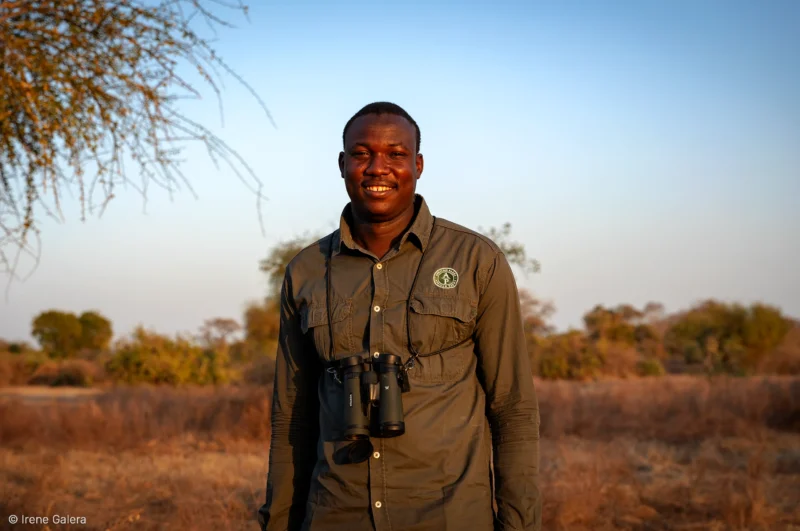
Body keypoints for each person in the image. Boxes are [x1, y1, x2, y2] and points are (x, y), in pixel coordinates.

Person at [257, 102, 541, 531]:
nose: (377, 168)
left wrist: (520, 524)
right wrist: (278, 522)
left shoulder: (474, 259)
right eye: (361, 153)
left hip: (449, 515)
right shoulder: (308, 269)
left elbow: (513, 408)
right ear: (342, 164)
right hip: (337, 511)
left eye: (395, 154)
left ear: (418, 164)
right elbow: (291, 415)